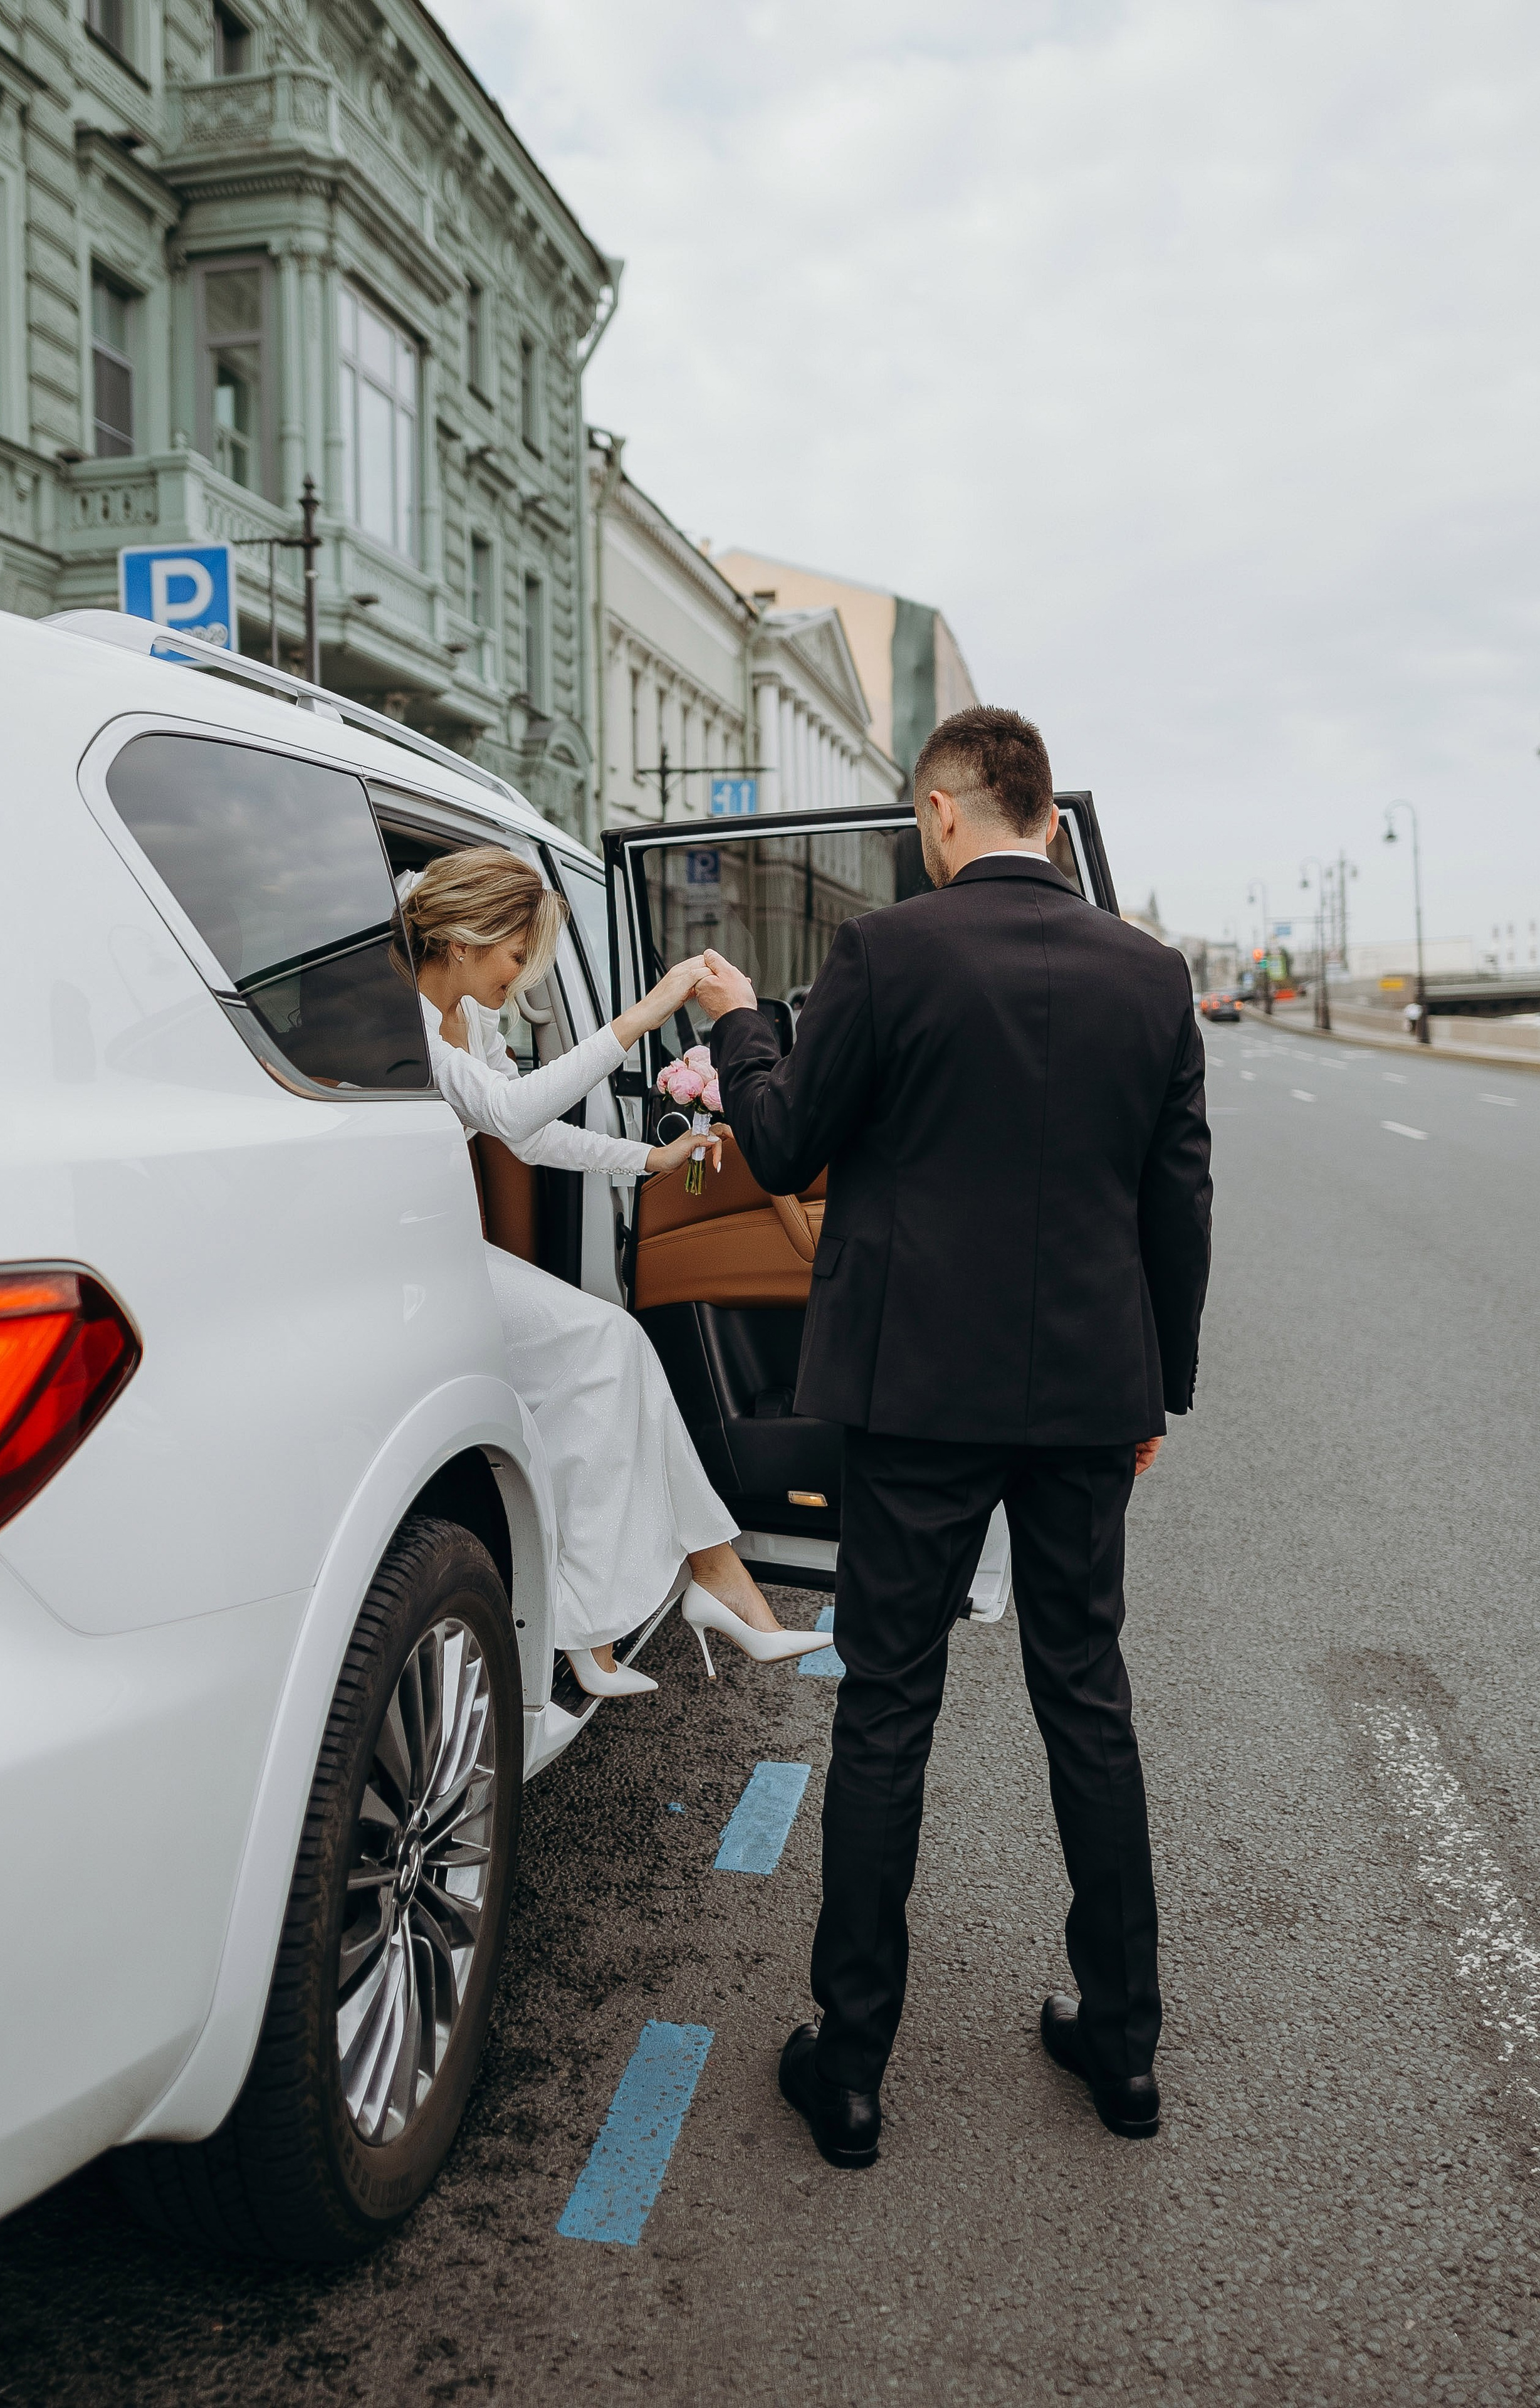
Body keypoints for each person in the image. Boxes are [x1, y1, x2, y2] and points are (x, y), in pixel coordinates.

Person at [698, 705, 1212, 2166]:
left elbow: (784, 1142)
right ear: (1044, 818)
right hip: (1083, 1397)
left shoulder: (885, 953)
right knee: (1085, 1700)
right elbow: (1176, 1198)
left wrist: (742, 1027)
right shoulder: (1148, 972)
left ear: (938, 813)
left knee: (887, 1707)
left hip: (912, 1391)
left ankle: (849, 2069)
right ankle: (1122, 2051)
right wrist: (1154, 1392)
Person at [394, 848, 832, 1700]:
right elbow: (515, 1109)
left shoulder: (469, 1021)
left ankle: (660, 1598)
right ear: (467, 935)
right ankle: (685, 1592)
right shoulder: (406, 1017)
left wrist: (649, 1157)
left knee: (615, 1347)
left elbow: (526, 1138)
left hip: (445, 1249)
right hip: (407, 1263)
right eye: (517, 954)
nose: (522, 978)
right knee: (604, 1347)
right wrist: (648, 1011)